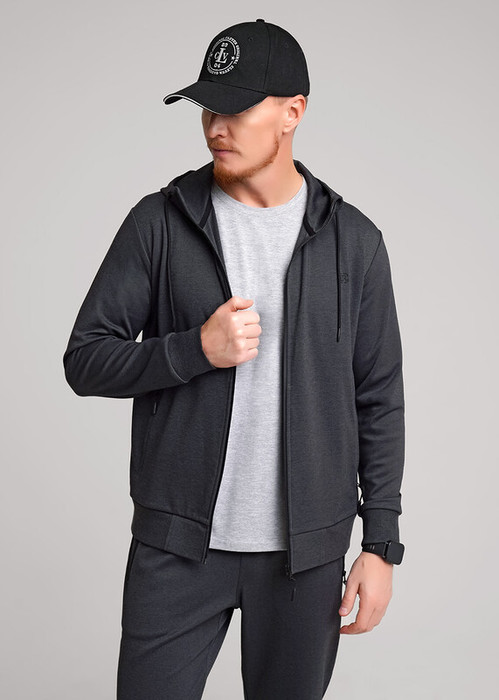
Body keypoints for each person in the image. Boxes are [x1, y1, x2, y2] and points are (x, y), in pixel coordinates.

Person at [63, 18, 406, 700]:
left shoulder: (353, 242)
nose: (216, 127)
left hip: (305, 557)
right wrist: (193, 350)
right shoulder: (160, 222)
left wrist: (380, 544)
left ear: (292, 112)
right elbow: (86, 359)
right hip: (177, 547)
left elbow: (378, 398)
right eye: (207, 108)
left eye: (236, 108)